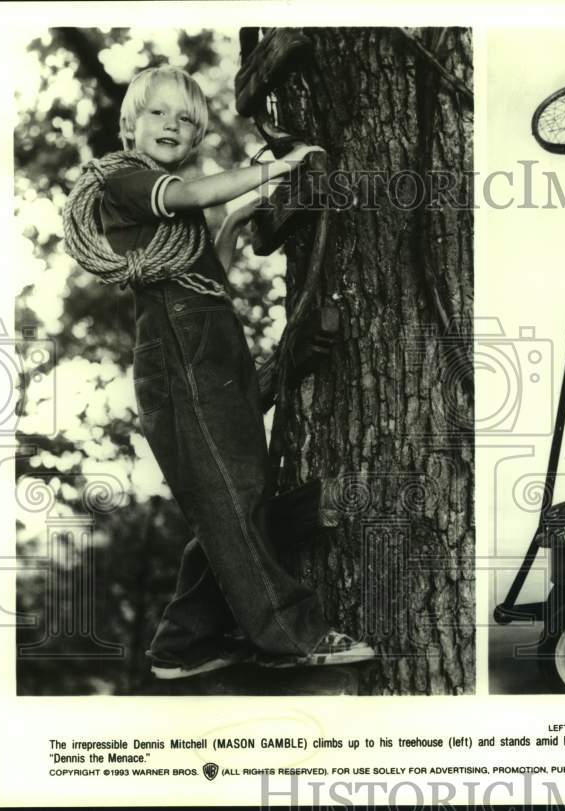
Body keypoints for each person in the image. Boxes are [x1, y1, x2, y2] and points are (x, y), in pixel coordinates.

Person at [92, 65, 374, 678]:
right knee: (231, 496)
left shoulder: (167, 209)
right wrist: (277, 166)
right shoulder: (128, 183)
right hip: (180, 361)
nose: (174, 125)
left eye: (188, 119)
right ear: (130, 125)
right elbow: (193, 195)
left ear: (195, 139)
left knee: (227, 499)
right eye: (159, 113)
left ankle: (183, 643)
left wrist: (230, 227)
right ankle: (292, 633)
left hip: (209, 353)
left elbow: (202, 281)